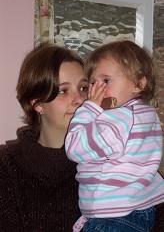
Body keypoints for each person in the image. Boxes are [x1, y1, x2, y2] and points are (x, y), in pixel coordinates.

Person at [65, 40, 164, 232]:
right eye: (93, 83)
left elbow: (74, 148)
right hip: (139, 209)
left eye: (106, 81)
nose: (96, 91)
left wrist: (89, 108)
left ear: (139, 83)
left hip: (114, 215)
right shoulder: (146, 114)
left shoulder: (119, 118)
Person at [0, 43, 89, 231]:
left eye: (83, 88)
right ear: (38, 103)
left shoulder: (109, 156)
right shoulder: (5, 166)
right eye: (64, 91)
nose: (80, 99)